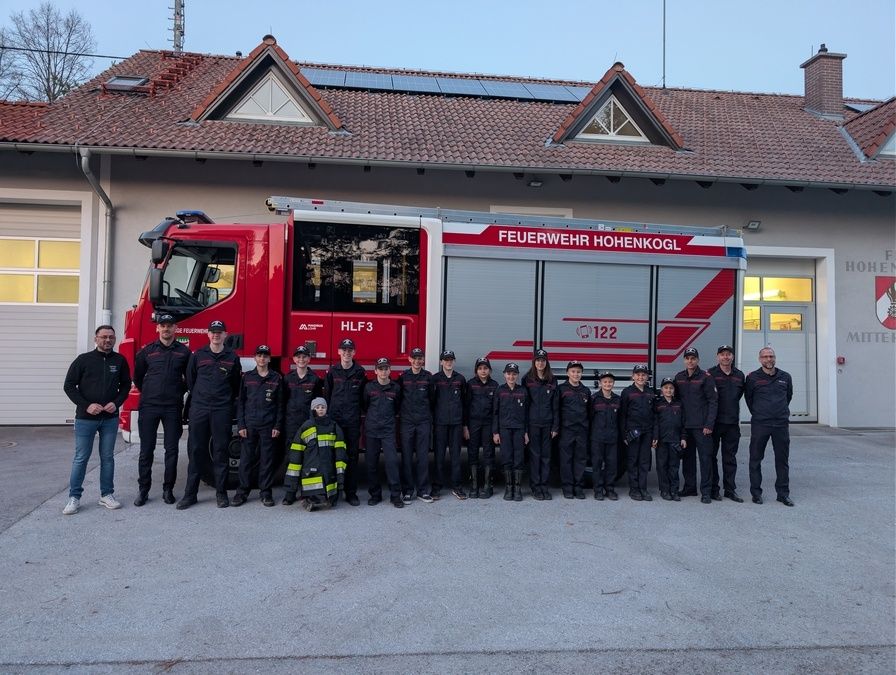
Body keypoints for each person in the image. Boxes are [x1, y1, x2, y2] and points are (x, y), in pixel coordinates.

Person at [62, 325, 131, 515]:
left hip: (109, 419)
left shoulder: (119, 360)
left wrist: (116, 403)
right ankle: (74, 498)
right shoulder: (83, 360)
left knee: (107, 458)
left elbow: (126, 386)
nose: (107, 340)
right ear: (96, 339)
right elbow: (69, 386)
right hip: (86, 419)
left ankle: (106, 495)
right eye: (104, 337)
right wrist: (86, 405)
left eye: (111, 337)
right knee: (81, 458)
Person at [177, 320, 242, 510]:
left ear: (225, 335)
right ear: (208, 335)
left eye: (219, 332)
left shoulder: (232, 357)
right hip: (200, 408)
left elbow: (235, 385)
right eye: (213, 332)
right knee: (196, 450)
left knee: (221, 450)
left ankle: (221, 494)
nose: (216, 335)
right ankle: (190, 495)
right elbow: (191, 381)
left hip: (221, 409)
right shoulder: (198, 355)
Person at [132, 313, 190, 507]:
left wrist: (176, 391)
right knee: (146, 450)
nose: (166, 329)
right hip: (149, 406)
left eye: (170, 326)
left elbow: (189, 380)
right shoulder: (147, 351)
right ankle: (143, 491)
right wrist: (151, 392)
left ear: (176, 329)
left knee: (171, 450)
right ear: (157, 328)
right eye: (163, 326)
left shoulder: (184, 352)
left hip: (172, 407)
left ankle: (168, 490)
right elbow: (138, 378)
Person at [232, 345, 283, 507]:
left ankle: (266, 492)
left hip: (268, 425)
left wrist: (277, 425)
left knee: (267, 460)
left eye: (265, 356)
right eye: (259, 355)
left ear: (269, 358)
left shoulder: (276, 378)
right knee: (246, 460)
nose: (262, 358)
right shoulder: (247, 378)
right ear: (255, 358)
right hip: (250, 425)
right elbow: (241, 403)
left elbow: (280, 405)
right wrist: (241, 424)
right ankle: (242, 492)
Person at [745, 347, 795, 506]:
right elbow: (749, 400)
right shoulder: (752, 378)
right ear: (760, 359)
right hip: (761, 424)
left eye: (771, 356)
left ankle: (783, 494)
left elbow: (788, 397)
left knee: (782, 460)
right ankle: (756, 493)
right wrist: (761, 413)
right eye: (765, 357)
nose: (768, 359)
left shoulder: (785, 377)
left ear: (775, 358)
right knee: (755, 459)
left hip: (781, 424)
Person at [283, 398, 347, 511]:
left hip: (328, 469)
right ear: (313, 409)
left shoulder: (334, 426)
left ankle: (325, 499)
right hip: (310, 472)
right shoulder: (306, 426)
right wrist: (290, 491)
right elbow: (295, 457)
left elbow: (340, 453)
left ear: (327, 409)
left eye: (323, 407)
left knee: (329, 496)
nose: (320, 410)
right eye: (317, 407)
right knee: (314, 494)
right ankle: (310, 499)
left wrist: (341, 478)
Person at [323, 338, 366, 506]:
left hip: (352, 422)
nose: (347, 353)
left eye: (350, 350)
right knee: (332, 455)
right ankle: (332, 492)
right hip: (335, 421)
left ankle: (350, 493)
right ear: (338, 352)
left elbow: (364, 398)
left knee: (352, 456)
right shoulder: (332, 372)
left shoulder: (360, 372)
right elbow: (327, 396)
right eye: (344, 350)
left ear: (354, 352)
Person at [674, 347, 719, 504]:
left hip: (702, 426)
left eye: (693, 358)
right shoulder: (679, 377)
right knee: (687, 459)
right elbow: (676, 402)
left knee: (705, 459)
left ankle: (706, 491)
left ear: (698, 360)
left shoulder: (706, 377)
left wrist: (709, 424)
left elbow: (713, 402)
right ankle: (690, 487)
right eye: (687, 358)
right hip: (686, 426)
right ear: (684, 360)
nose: (690, 361)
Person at [363, 357, 403, 508]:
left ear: (390, 370)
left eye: (386, 368)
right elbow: (364, 405)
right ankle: (375, 494)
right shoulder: (369, 387)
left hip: (388, 430)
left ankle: (395, 495)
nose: (383, 371)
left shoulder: (396, 388)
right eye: (380, 369)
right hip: (372, 430)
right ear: (375, 371)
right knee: (371, 464)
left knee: (392, 463)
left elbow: (397, 407)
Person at [397, 347, 434, 503]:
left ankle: (423, 490)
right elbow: (398, 398)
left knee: (423, 457)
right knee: (406, 457)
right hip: (407, 422)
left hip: (423, 421)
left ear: (423, 360)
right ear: (409, 360)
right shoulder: (403, 377)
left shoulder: (428, 377)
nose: (418, 361)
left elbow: (432, 398)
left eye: (420, 358)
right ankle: (407, 491)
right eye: (415, 358)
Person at [708, 345, 746, 502]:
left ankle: (730, 489)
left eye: (728, 354)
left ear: (732, 357)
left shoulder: (739, 375)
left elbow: (741, 396)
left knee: (730, 458)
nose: (725, 357)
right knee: (711, 457)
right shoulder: (710, 374)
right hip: (715, 423)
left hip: (732, 424)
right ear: (718, 357)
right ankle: (713, 489)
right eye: (722, 355)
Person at [524, 349, 558, 501]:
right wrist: (525, 429)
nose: (540, 363)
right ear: (534, 362)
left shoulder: (552, 380)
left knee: (546, 457)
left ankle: (544, 486)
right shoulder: (527, 379)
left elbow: (556, 405)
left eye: (543, 360)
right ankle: (536, 487)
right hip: (532, 424)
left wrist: (555, 426)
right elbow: (523, 406)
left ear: (546, 362)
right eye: (537, 360)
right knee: (535, 456)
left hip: (547, 424)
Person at [432, 350, 467, 500]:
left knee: (455, 457)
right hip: (440, 423)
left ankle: (457, 487)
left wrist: (464, 424)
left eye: (451, 359)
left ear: (454, 361)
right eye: (446, 360)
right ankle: (436, 487)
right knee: (438, 456)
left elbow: (465, 403)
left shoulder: (460, 379)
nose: (448, 362)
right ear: (441, 362)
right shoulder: (435, 379)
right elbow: (431, 402)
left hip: (456, 423)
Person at [493, 362, 529, 501]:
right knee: (507, 458)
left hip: (519, 429)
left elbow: (527, 413)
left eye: (514, 374)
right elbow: (495, 413)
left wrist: (526, 432)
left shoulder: (523, 391)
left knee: (519, 459)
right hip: (504, 430)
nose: (511, 376)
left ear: (517, 375)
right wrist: (495, 432)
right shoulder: (500, 390)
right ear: (504, 375)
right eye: (509, 373)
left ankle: (518, 488)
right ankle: (509, 488)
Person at [620, 365, 655, 501]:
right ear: (633, 376)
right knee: (633, 460)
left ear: (647, 377)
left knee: (644, 461)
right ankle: (634, 489)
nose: (641, 377)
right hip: (632, 433)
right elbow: (622, 415)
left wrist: (654, 434)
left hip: (647, 432)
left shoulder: (650, 392)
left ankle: (643, 488)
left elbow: (654, 415)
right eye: (638, 374)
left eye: (643, 375)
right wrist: (624, 435)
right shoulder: (627, 392)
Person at [464, 356, 498, 498]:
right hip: (473, 423)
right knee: (472, 452)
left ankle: (487, 485)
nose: (483, 371)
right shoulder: (470, 384)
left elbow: (497, 410)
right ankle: (474, 486)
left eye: (485, 368)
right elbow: (465, 406)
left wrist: (496, 430)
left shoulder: (495, 385)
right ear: (476, 371)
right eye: (480, 368)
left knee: (488, 453)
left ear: (489, 370)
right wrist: (465, 427)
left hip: (488, 424)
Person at [282, 345, 322, 465]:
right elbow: (282, 401)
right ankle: (291, 481)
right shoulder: (288, 378)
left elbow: (318, 403)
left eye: (304, 357)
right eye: (298, 357)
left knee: (308, 450)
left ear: (309, 359)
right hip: (291, 422)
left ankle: (304, 480)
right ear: (294, 359)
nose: (301, 360)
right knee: (291, 452)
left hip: (308, 422)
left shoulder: (314, 379)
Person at [557, 360, 591, 499]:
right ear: (567, 373)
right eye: (573, 371)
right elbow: (556, 410)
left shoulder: (586, 391)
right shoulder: (561, 390)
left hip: (581, 431)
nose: (576, 374)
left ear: (581, 373)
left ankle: (578, 487)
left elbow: (589, 412)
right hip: (566, 431)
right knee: (566, 459)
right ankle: (567, 487)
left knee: (580, 459)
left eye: (578, 372)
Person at [652, 377, 686, 501]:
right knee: (662, 466)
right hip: (661, 440)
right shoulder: (658, 404)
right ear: (661, 390)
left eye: (671, 388)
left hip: (675, 440)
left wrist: (683, 437)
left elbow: (683, 423)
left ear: (674, 390)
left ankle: (674, 490)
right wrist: (655, 437)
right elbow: (655, 422)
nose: (668, 390)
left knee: (674, 466)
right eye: (666, 388)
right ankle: (665, 490)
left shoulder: (679, 404)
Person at [589, 371, 620, 501]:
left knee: (611, 464)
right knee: (597, 464)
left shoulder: (618, 399)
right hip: (597, 438)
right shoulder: (594, 399)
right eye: (605, 381)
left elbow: (620, 419)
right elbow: (590, 418)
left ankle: (610, 489)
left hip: (612, 438)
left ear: (613, 384)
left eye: (610, 382)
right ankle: (598, 490)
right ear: (600, 383)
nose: (608, 384)